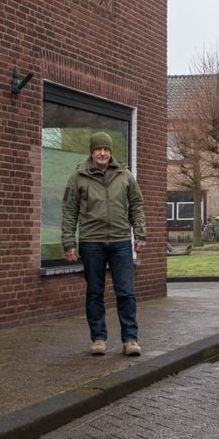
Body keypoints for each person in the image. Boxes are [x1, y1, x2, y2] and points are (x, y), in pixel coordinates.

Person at [61, 131, 146, 356]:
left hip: (120, 241)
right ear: (92, 151)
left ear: (111, 152)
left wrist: (140, 234)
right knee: (94, 292)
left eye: (106, 149)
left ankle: (130, 339)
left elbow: (136, 205)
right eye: (98, 149)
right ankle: (98, 339)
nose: (102, 153)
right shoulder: (78, 177)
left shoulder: (125, 175)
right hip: (91, 242)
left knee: (126, 292)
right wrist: (69, 242)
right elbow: (69, 212)